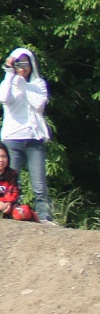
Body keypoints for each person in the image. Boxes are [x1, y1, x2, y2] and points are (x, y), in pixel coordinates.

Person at [0, 47, 53, 224]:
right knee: (11, 181)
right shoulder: (9, 83)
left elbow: (38, 105)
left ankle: (44, 217)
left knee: (39, 183)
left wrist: (23, 83)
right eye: (19, 63)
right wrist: (9, 74)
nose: (23, 67)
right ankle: (10, 216)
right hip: (12, 138)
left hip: (34, 139)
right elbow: (3, 98)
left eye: (26, 63)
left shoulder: (38, 84)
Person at [0, 143, 37, 222]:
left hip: (7, 206)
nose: (1, 160)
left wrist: (7, 204)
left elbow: (14, 192)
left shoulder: (12, 174)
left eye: (4, 156)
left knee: (23, 211)